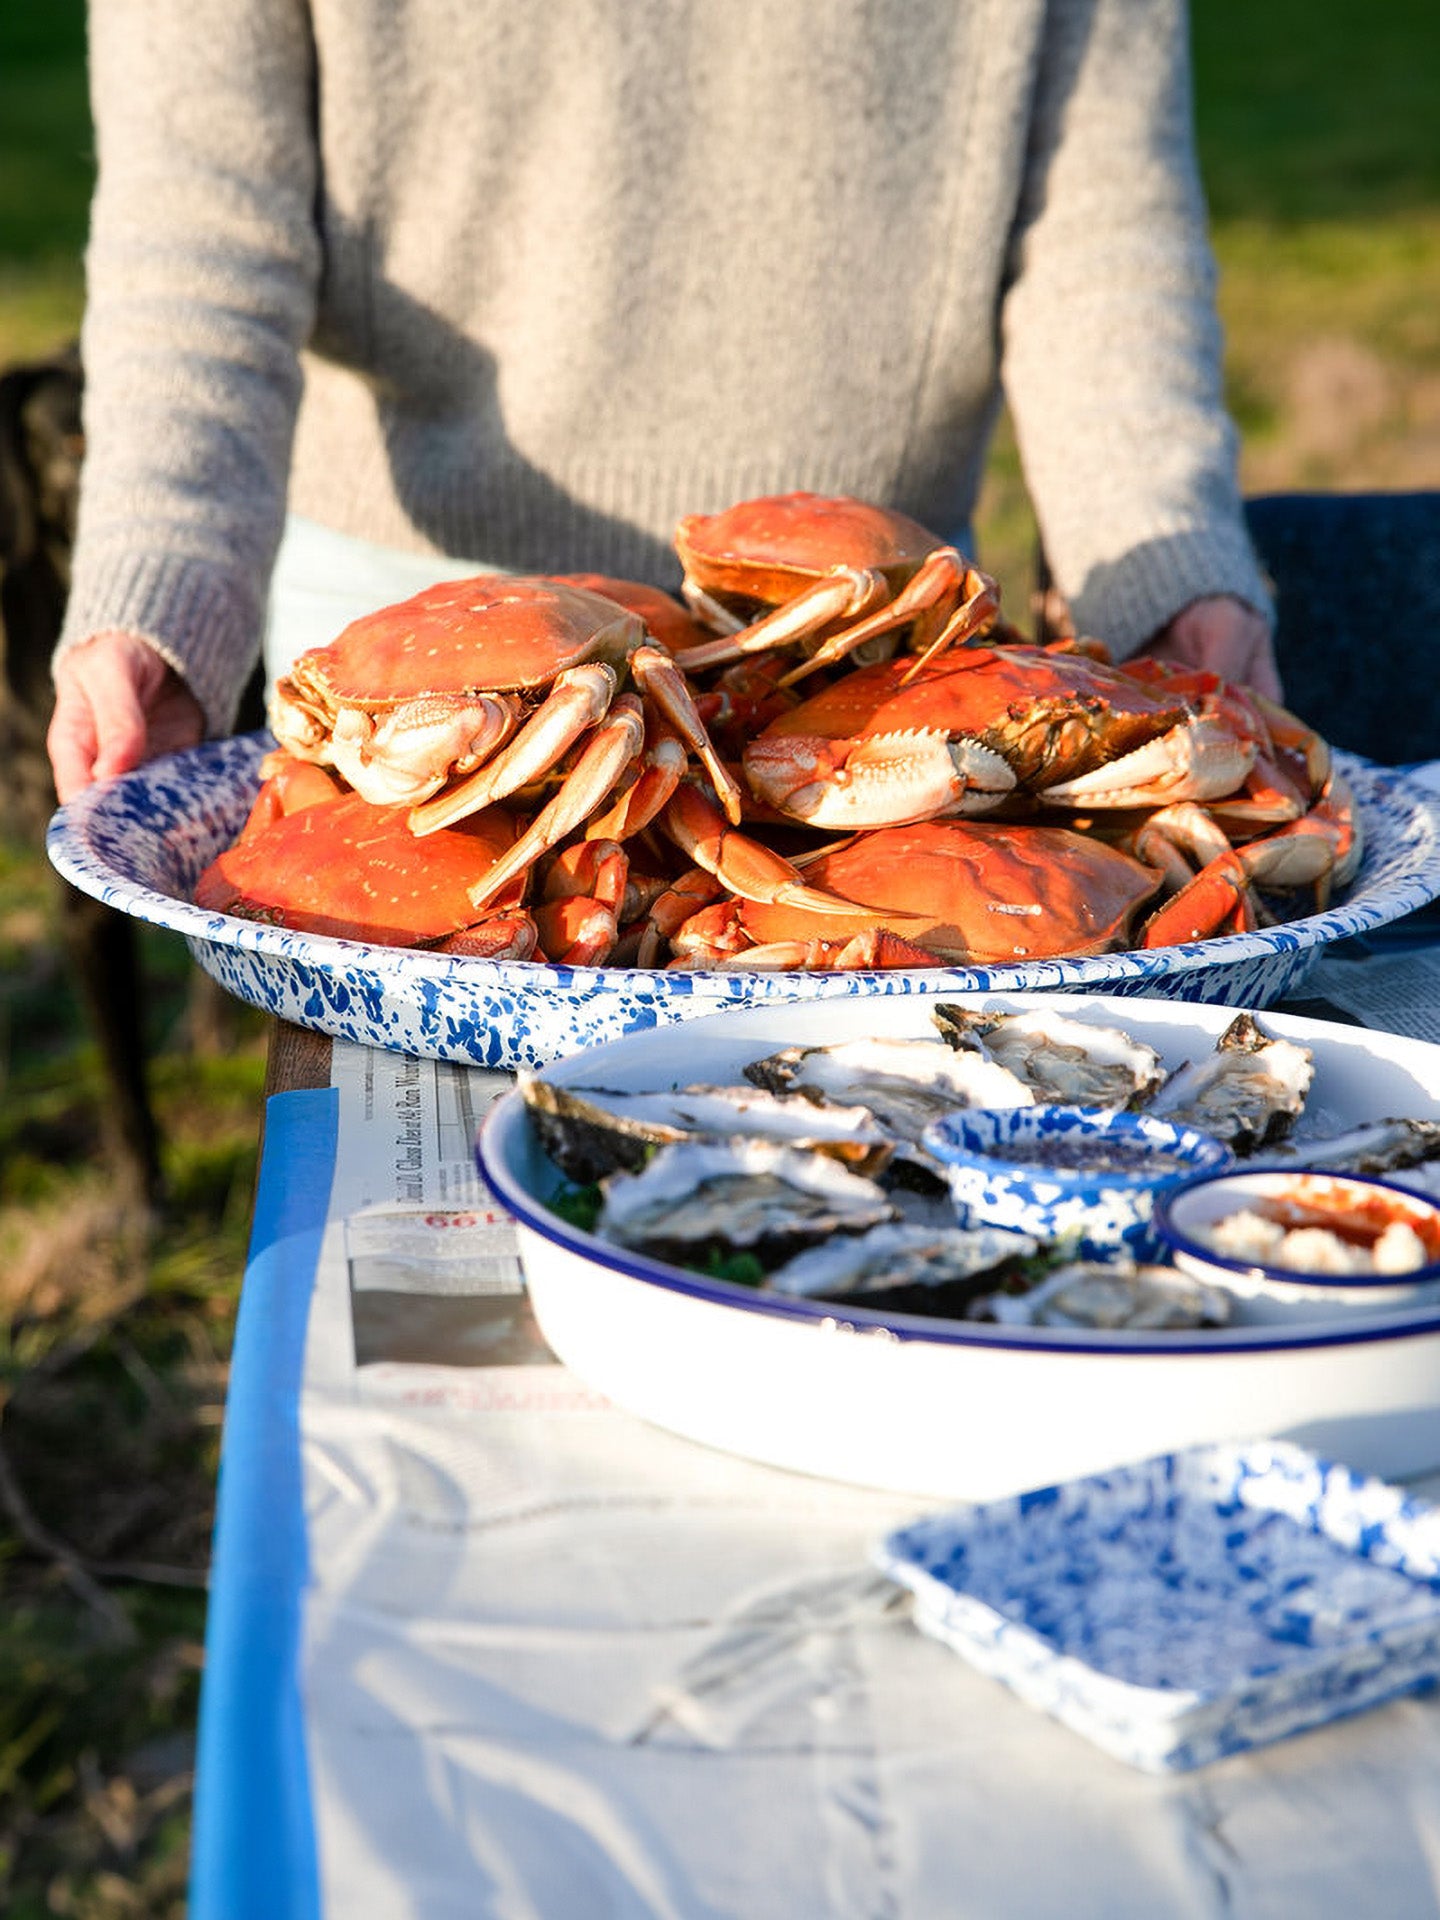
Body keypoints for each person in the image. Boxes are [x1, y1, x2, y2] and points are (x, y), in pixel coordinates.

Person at [47, 0, 1279, 806]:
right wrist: (162, 591)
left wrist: (1162, 568)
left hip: (870, 682)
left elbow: (1102, 222)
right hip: (413, 672)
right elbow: (200, 228)